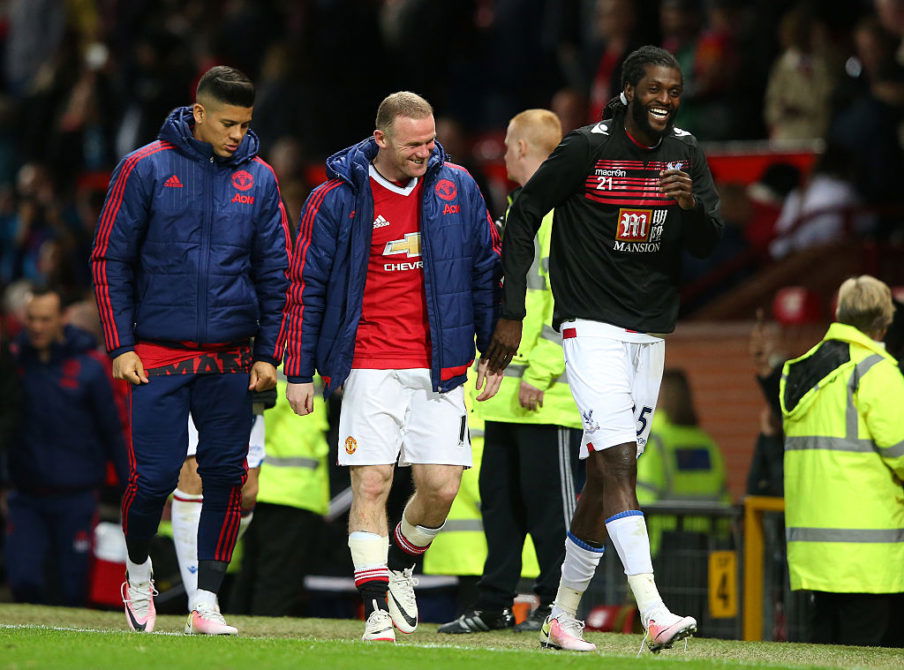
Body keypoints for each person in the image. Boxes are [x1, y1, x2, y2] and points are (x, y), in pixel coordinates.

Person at [485, 45, 723, 653]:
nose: (665, 100)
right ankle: (653, 610)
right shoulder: (587, 148)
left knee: (604, 479)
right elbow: (524, 213)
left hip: (650, 334)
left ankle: (561, 615)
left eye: (674, 90)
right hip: (589, 330)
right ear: (627, 91)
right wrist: (512, 315)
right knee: (617, 465)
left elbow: (707, 243)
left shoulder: (687, 153)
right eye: (654, 90)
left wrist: (688, 203)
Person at [284, 91, 503, 642]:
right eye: (414, 145)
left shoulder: (458, 188)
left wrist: (493, 353)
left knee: (441, 487)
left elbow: (484, 270)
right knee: (373, 482)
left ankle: (402, 564)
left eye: (432, 142)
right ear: (379, 139)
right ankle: (376, 607)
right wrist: (298, 368)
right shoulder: (336, 198)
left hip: (441, 363)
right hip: (367, 364)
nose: (426, 153)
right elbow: (306, 286)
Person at [90, 66, 290, 635]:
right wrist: (119, 344)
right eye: (228, 122)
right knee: (152, 479)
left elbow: (276, 273)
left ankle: (205, 603)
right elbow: (109, 260)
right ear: (198, 112)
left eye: (246, 124)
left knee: (226, 477)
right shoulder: (144, 167)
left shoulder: (261, 178)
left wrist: (268, 353)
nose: (237, 134)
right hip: (156, 353)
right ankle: (138, 572)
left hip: (230, 357)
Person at [438, 109, 583, 635]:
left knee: (551, 513)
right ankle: (496, 602)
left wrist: (538, 375)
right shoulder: (525, 210)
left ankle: (557, 605)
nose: (502, 152)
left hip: (545, 396)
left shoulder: (560, 214)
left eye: (506, 145)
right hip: (506, 392)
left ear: (523, 148)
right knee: (500, 508)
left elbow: (564, 305)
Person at [780, 275, 904, 648]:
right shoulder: (876, 372)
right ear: (885, 322)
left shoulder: (797, 371)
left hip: (814, 551)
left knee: (824, 649)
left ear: (838, 313)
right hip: (868, 555)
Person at [4, 286, 128, 606]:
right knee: (23, 579)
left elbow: (112, 430)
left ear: (62, 319)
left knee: (73, 587)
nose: (37, 326)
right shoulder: (13, 364)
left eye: (45, 319)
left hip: (77, 495)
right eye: (31, 319)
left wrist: (131, 486)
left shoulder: (89, 368)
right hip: (26, 494)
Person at [230, 375, 330, 616]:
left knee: (251, 572)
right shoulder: (289, 365)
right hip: (289, 489)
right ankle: (261, 633)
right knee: (278, 579)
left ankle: (237, 628)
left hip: (268, 485)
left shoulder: (275, 362)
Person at [170, 394, 270, 615]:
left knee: (246, 491)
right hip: (193, 375)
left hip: (247, 386)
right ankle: (201, 602)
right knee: (193, 477)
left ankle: (205, 588)